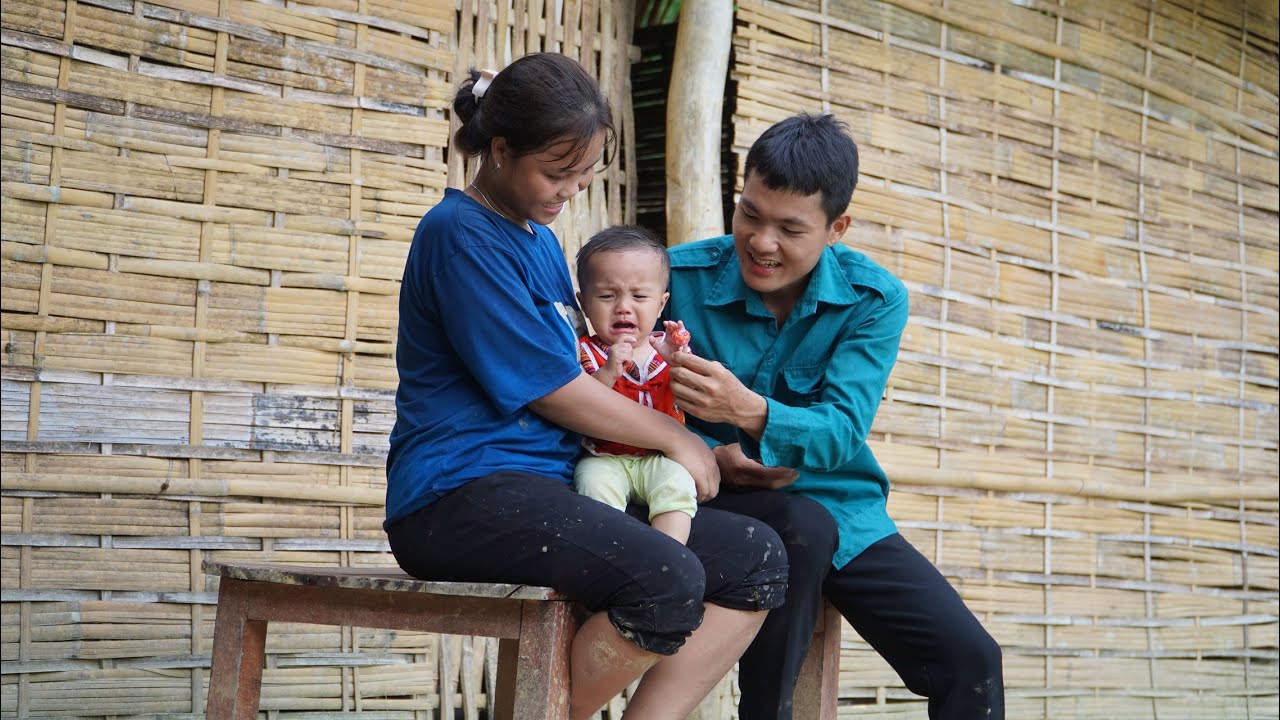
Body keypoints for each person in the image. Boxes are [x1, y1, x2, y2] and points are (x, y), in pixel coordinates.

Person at [383, 53, 788, 720]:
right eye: (557, 172)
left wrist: (689, 443)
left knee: (757, 558)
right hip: (456, 496)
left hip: (548, 485)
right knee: (665, 578)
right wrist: (678, 440)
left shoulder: (539, 240)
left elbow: (588, 372)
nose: (571, 190)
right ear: (500, 150)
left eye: (584, 173)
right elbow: (552, 389)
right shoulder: (459, 236)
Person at [663, 113, 1005, 720]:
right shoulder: (675, 278)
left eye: (790, 228)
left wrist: (746, 410)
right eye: (749, 214)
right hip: (701, 499)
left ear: (836, 228)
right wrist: (705, 453)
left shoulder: (874, 299)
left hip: (840, 503)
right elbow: (622, 397)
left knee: (972, 660)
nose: (761, 242)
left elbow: (843, 430)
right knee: (800, 529)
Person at [573, 226, 697, 543]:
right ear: (584, 303)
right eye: (607, 296)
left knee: (678, 484)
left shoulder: (667, 350)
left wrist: (678, 362)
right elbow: (582, 403)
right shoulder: (586, 352)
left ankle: (669, 553)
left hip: (658, 457)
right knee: (593, 486)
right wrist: (609, 371)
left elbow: (692, 398)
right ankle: (613, 556)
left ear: (661, 304)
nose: (624, 307)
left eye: (639, 296)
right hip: (604, 457)